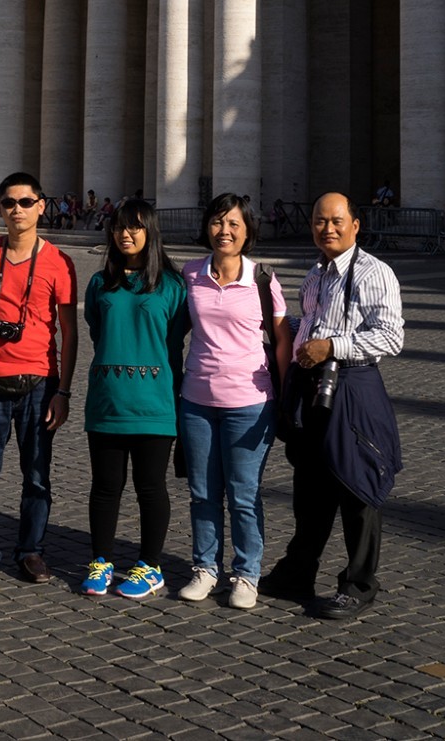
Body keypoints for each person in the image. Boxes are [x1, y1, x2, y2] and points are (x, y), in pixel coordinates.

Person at [259, 193, 406, 620]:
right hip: (312, 388)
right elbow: (308, 324)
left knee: (358, 485)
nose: (328, 228)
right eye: (320, 221)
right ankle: (298, 570)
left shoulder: (374, 272)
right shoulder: (316, 274)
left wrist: (332, 346)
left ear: (355, 225)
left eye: (337, 221)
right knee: (311, 486)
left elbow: (391, 336)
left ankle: (359, 582)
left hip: (353, 388)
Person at [0, 172, 79, 584]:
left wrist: (63, 390)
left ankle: (31, 550)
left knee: (37, 474)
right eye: (9, 202)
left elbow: (69, 331)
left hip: (39, 381)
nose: (17, 210)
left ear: (41, 205)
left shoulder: (60, 262)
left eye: (25, 202)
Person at [177, 194, 293, 609]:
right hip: (197, 399)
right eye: (217, 222)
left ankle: (246, 574)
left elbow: (281, 341)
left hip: (249, 401)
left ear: (247, 233)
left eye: (233, 224)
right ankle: (205, 568)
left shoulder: (263, 280)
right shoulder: (190, 274)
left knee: (244, 494)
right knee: (203, 492)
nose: (223, 231)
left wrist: (281, 397)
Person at [78, 199, 189, 600]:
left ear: (150, 232)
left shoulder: (174, 286)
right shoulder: (99, 284)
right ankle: (101, 560)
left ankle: (150, 564)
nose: (126, 234)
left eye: (135, 227)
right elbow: (96, 330)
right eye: (119, 227)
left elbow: (176, 340)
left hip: (155, 403)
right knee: (105, 487)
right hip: (108, 400)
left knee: (150, 487)